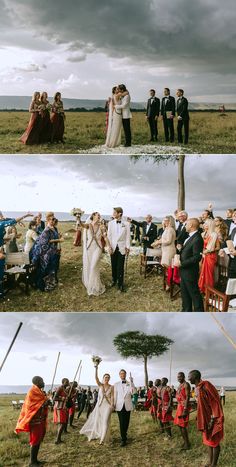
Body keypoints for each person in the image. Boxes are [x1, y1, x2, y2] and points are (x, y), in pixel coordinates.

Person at [188, 370, 224, 467]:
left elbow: (214, 402)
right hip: (205, 419)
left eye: (189, 376)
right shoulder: (197, 388)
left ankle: (214, 465)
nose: (188, 378)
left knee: (214, 441)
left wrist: (212, 420)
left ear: (195, 377)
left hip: (212, 419)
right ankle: (210, 463)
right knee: (208, 441)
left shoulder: (206, 385)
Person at [15, 376, 49, 467]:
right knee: (35, 441)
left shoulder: (40, 391)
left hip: (40, 420)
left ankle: (35, 460)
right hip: (35, 421)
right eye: (42, 381)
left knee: (38, 441)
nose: (44, 382)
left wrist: (46, 401)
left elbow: (42, 403)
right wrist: (44, 403)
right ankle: (32, 462)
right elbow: (32, 406)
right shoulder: (32, 392)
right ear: (37, 382)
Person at [0, 211, 33, 298]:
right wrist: (26, 215)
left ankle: (4, 288)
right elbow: (13, 221)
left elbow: (3, 239)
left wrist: (8, 239)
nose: (3, 217)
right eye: (1, 215)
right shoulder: (1, 224)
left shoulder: (2, 223)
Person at [80, 362, 114, 444]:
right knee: (99, 421)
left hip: (108, 406)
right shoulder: (100, 385)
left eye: (108, 378)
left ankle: (102, 440)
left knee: (105, 421)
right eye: (105, 377)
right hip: (100, 406)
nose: (107, 379)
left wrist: (112, 405)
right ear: (103, 378)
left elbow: (112, 397)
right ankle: (100, 434)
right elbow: (96, 378)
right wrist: (96, 368)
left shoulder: (111, 387)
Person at [30, 212, 64, 292]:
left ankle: (52, 283)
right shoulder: (46, 230)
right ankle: (46, 285)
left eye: (54, 219)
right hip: (48, 253)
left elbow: (54, 237)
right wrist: (58, 240)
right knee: (48, 269)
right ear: (48, 220)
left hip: (54, 251)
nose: (53, 220)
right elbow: (45, 242)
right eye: (52, 219)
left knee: (54, 268)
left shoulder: (53, 228)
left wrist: (58, 236)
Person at [78, 212, 109, 296]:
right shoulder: (88, 225)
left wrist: (108, 246)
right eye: (97, 215)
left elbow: (105, 237)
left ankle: (92, 287)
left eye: (100, 215)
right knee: (90, 265)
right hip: (89, 248)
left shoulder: (101, 226)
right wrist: (78, 218)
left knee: (94, 265)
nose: (99, 216)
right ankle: (94, 285)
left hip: (98, 248)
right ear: (93, 216)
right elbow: (81, 225)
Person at [178, 218, 204, 312]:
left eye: (186, 224)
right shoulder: (189, 236)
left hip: (190, 271)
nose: (185, 226)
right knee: (185, 293)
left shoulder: (197, 238)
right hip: (184, 270)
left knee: (194, 294)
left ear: (191, 225)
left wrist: (182, 263)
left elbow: (197, 257)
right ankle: (186, 311)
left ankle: (199, 314)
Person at [107, 207, 130, 292]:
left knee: (120, 266)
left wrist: (128, 247)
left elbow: (128, 237)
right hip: (113, 247)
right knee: (113, 265)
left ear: (119, 213)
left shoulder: (126, 224)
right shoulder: (110, 223)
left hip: (122, 247)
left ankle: (120, 284)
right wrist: (109, 247)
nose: (113, 213)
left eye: (114, 212)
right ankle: (114, 280)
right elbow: (109, 236)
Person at [114, 369, 135, 446]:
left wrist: (132, 382)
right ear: (119, 375)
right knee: (121, 422)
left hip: (127, 405)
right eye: (121, 374)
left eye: (124, 374)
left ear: (125, 375)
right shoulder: (116, 384)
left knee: (126, 422)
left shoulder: (129, 384)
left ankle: (124, 435)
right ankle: (123, 439)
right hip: (119, 405)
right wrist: (114, 404)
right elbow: (115, 395)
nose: (122, 375)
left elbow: (134, 392)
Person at [198, 219, 219, 294]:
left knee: (209, 274)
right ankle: (202, 288)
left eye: (206, 224)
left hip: (210, 256)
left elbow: (218, 247)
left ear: (210, 225)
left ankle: (209, 292)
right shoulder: (203, 234)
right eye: (204, 224)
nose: (204, 225)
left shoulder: (214, 234)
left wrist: (210, 250)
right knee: (201, 272)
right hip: (203, 254)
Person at [174, 372, 191, 450]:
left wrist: (185, 409)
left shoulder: (186, 384)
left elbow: (187, 397)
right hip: (179, 406)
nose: (178, 378)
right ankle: (185, 441)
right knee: (179, 425)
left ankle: (187, 444)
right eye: (178, 377)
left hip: (184, 407)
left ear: (184, 377)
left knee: (183, 426)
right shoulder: (179, 385)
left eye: (180, 377)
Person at [53, 378, 70, 444]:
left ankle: (59, 439)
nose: (68, 383)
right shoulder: (60, 388)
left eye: (68, 382)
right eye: (66, 382)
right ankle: (57, 440)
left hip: (63, 408)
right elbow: (55, 398)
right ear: (63, 382)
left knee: (62, 423)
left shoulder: (65, 389)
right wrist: (62, 398)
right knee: (61, 423)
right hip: (59, 407)